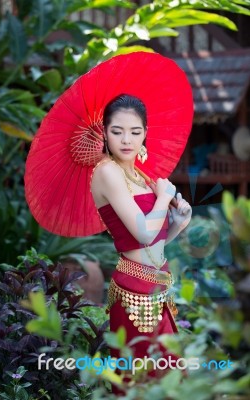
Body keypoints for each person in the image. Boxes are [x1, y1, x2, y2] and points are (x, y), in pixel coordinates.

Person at [91, 93, 192, 393]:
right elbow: (142, 234)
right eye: (117, 131)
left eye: (135, 132)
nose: (126, 139)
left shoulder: (141, 177)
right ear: (105, 133)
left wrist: (179, 222)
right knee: (142, 382)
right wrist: (163, 197)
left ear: (145, 133)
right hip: (133, 289)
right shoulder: (107, 171)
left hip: (158, 284)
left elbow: (155, 240)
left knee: (169, 377)